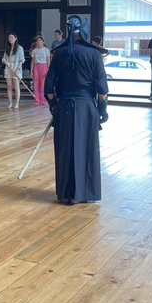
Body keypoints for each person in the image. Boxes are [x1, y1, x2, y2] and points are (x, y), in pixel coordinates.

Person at [45, 15, 108, 205]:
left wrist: (54, 105)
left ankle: (66, 193)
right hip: (86, 108)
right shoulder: (94, 54)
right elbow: (102, 90)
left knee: (65, 150)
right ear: (86, 31)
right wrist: (102, 110)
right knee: (85, 149)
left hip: (64, 106)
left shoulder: (59, 52)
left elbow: (48, 88)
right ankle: (83, 193)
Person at [2, 33, 25, 109]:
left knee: (16, 86)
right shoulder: (7, 48)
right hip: (9, 67)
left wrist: (18, 69)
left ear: (15, 38)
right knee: (9, 86)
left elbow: (21, 59)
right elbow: (4, 58)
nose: (10, 39)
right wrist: (6, 62)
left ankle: (17, 103)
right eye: (9, 37)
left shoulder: (19, 48)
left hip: (16, 67)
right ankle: (10, 103)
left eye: (12, 37)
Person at [31, 36, 50, 105]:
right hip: (36, 66)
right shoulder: (34, 50)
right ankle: (37, 100)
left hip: (43, 66)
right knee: (36, 83)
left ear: (43, 42)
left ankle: (43, 99)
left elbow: (48, 60)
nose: (39, 42)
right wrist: (31, 70)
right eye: (37, 41)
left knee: (43, 84)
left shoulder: (46, 50)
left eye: (40, 40)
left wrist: (48, 69)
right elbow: (32, 61)